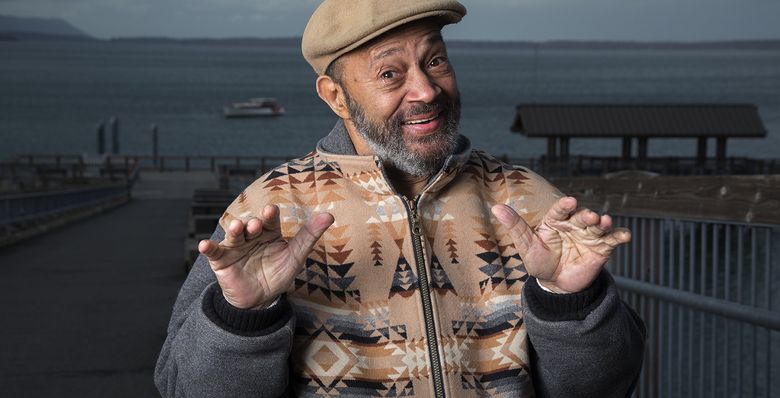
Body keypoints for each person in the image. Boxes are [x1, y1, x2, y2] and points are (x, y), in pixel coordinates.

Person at [155, 1, 646, 397]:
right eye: (390, 74)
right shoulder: (267, 210)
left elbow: (607, 385)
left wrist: (570, 303)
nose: (426, 90)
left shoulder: (531, 201)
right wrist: (243, 317)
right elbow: (180, 386)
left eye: (435, 60)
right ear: (336, 96)